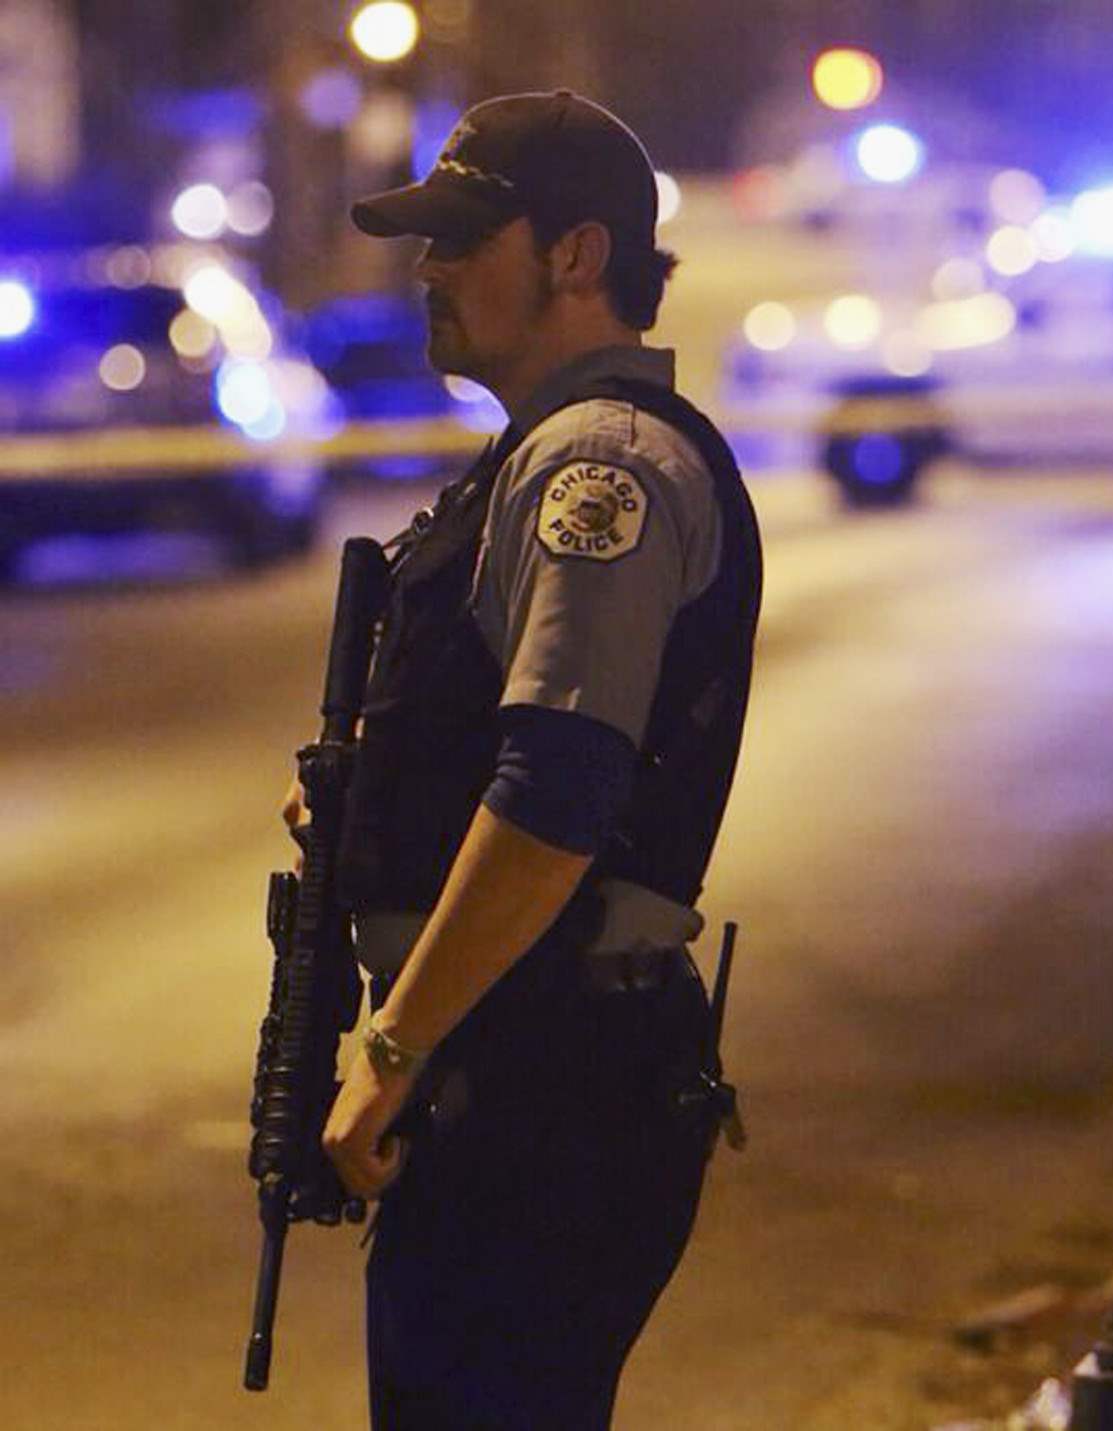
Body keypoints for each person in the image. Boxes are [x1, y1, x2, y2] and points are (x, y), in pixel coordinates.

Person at [284, 89, 761, 1428]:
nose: (429, 268)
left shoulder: (595, 469)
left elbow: (556, 795)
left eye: (461, 239)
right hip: (527, 1072)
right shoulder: (535, 458)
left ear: (575, 255)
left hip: (547, 1080)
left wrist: (392, 1042)